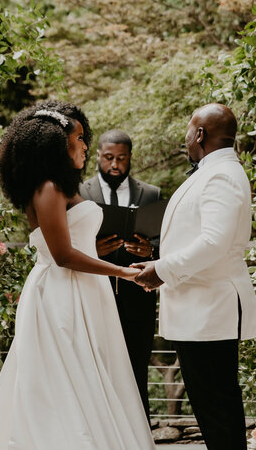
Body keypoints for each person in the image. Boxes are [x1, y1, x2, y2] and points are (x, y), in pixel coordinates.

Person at [0, 102, 154, 450]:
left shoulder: (62, 186)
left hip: (87, 291)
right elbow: (62, 255)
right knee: (64, 379)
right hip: (61, 295)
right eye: (79, 137)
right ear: (55, 144)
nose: (85, 145)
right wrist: (122, 271)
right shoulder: (46, 188)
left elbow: (79, 244)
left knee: (93, 376)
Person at [133, 103, 256, 450]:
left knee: (218, 410)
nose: (186, 137)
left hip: (210, 311)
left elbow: (214, 242)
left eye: (189, 130)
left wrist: (161, 270)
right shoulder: (211, 171)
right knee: (212, 409)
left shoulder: (221, 175)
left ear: (200, 134)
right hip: (199, 311)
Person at [79, 129, 162, 420]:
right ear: (97, 157)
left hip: (137, 299)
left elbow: (163, 244)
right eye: (109, 158)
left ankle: (140, 437)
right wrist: (92, 248)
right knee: (94, 372)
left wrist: (149, 252)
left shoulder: (151, 193)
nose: (115, 165)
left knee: (137, 371)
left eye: (122, 158)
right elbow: (69, 243)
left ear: (130, 158)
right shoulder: (78, 191)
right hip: (92, 298)